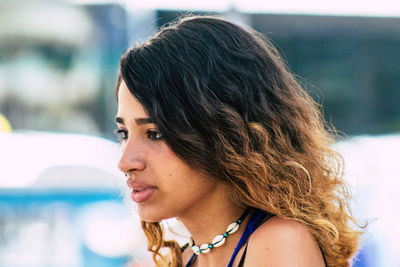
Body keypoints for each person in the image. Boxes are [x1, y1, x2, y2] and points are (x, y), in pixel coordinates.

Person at [114, 15, 361, 267]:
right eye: (123, 133)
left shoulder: (279, 243)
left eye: (155, 133)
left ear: (222, 132)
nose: (125, 162)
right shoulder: (186, 257)